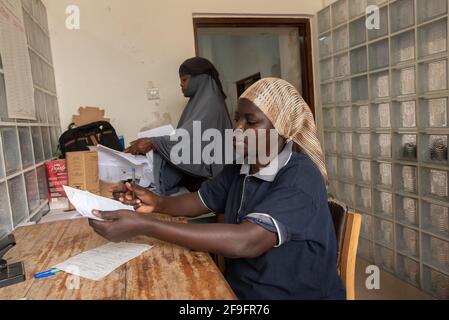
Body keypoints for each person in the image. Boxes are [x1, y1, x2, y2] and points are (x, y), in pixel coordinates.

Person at [89, 78, 346, 300]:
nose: (237, 129)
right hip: (238, 290)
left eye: (251, 121)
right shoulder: (241, 168)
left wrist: (147, 225)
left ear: (282, 130)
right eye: (237, 119)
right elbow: (200, 200)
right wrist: (156, 203)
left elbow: (248, 241)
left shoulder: (300, 176)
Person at [125, 57, 232, 195]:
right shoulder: (199, 102)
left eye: (184, 79)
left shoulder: (211, 104)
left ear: (200, 78)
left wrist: (153, 143)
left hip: (213, 180)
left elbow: (190, 139)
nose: (181, 85)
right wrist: (153, 142)